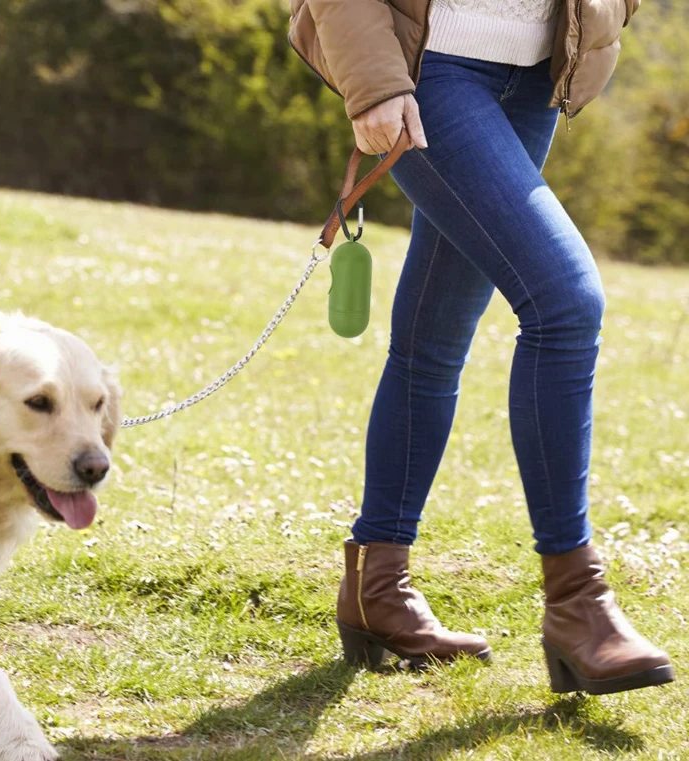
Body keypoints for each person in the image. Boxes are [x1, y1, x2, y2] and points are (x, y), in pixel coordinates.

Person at [289, 0, 676, 694]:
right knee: (564, 303)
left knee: (430, 342)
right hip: (426, 69)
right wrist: (375, 82)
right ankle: (577, 603)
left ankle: (378, 584)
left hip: (533, 77)